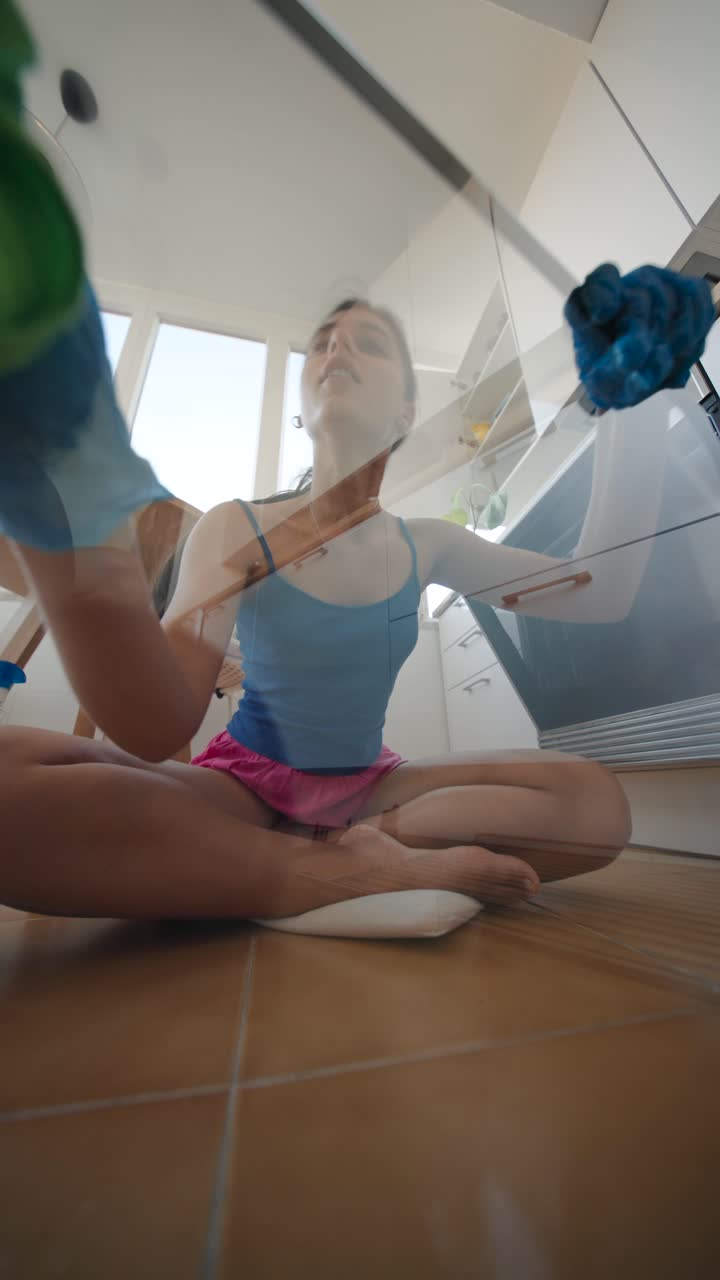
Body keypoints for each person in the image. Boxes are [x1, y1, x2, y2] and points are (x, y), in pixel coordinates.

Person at [0, 299, 631, 921]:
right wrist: (67, 558)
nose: (337, 350)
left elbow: (601, 592)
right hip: (242, 788)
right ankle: (339, 871)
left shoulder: (428, 544)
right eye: (324, 341)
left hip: (369, 789)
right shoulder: (235, 529)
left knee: (595, 802)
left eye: (370, 343)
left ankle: (317, 855)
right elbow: (160, 729)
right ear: (303, 413)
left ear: (405, 412)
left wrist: (632, 403)